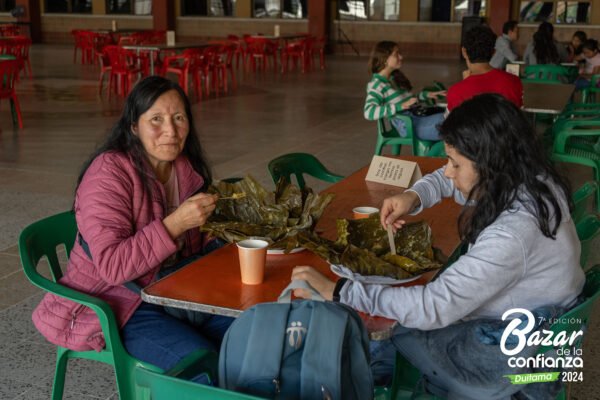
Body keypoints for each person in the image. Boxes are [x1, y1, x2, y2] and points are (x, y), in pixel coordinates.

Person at [291, 94, 585, 399]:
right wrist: (413, 197)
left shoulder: (512, 235)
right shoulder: (531, 180)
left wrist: (340, 291)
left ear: (490, 164)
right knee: (389, 319)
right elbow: (448, 181)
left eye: (455, 163)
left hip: (509, 350)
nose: (447, 172)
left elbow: (433, 307)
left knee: (389, 328)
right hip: (542, 324)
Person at [32, 76, 233, 383]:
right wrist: (176, 223)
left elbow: (196, 249)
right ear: (133, 126)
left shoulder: (185, 170)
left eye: (179, 118)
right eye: (156, 119)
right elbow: (113, 267)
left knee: (252, 336)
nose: (171, 130)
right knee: (207, 367)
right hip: (117, 305)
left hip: (169, 292)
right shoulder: (109, 173)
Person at [364, 41, 446, 141]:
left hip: (416, 118)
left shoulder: (393, 78)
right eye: (396, 54)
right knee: (451, 124)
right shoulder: (377, 85)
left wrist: (425, 95)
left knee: (451, 117)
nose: (401, 57)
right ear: (384, 59)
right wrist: (400, 106)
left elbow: (408, 102)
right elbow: (368, 112)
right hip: (408, 126)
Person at [446, 26, 522, 112]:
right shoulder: (513, 81)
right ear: (493, 52)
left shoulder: (455, 92)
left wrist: (466, 83)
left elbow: (453, 123)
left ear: (464, 52)